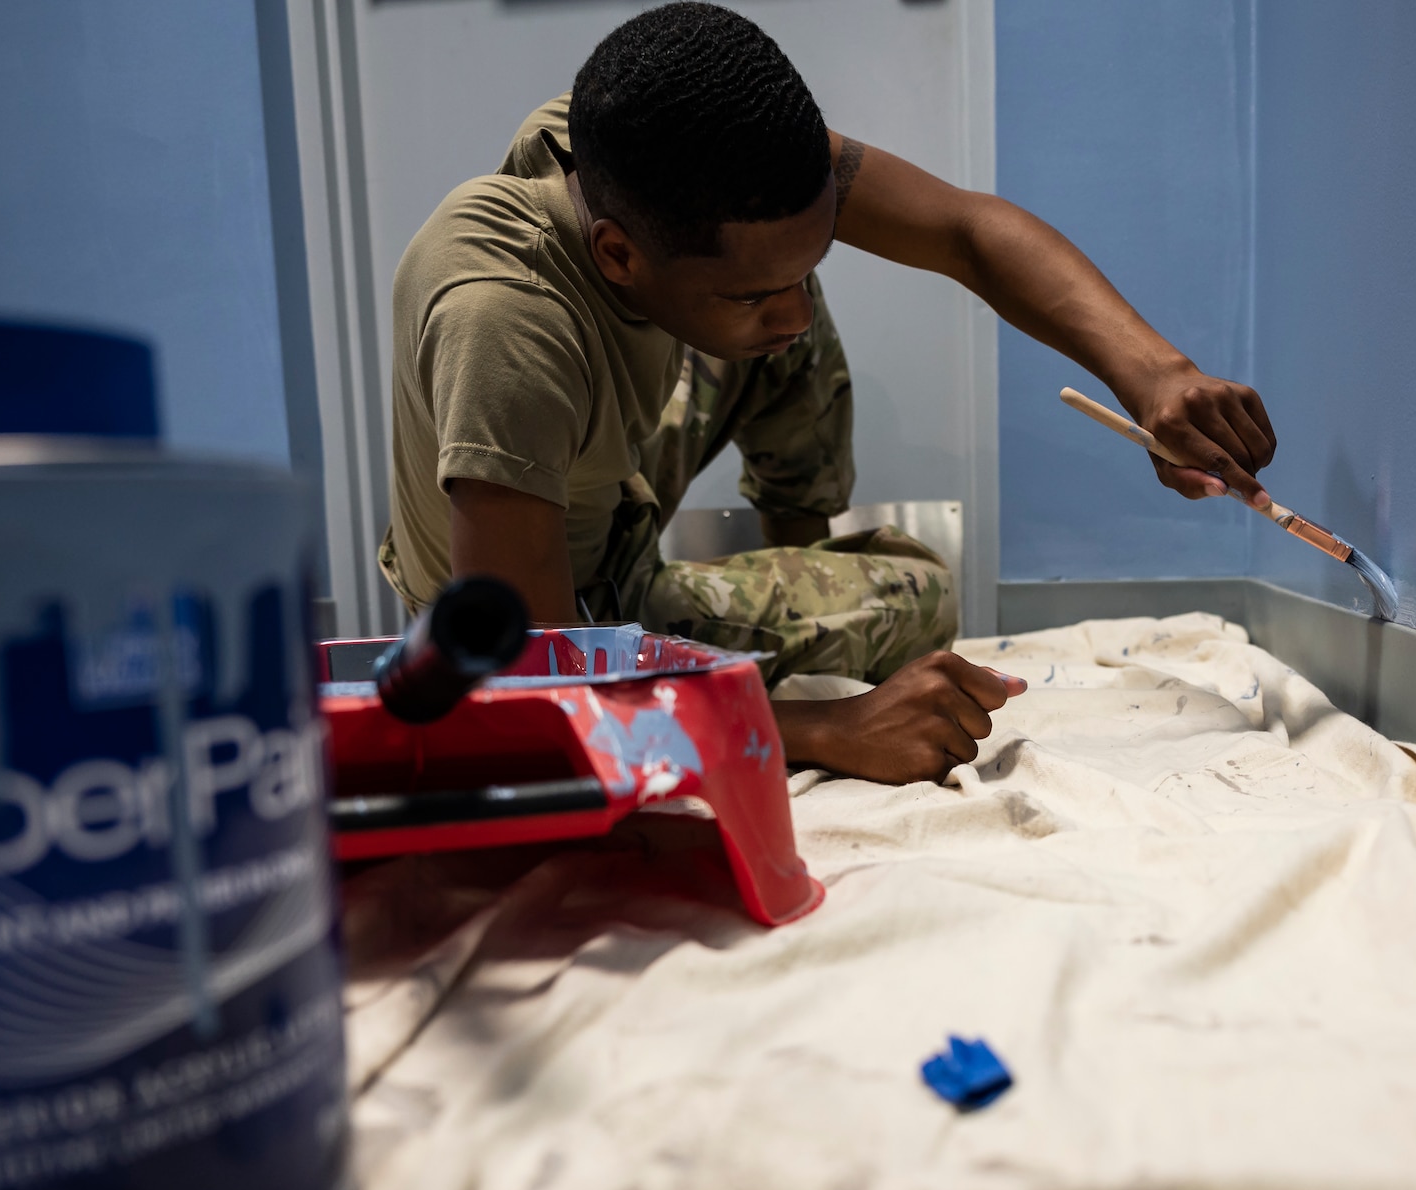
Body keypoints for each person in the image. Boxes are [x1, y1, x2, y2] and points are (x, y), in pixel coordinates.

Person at [381, 2, 1276, 784]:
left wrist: (1159, 375)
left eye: (807, 267)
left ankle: (794, 586)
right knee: (915, 597)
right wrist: (829, 729)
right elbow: (539, 700)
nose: (796, 313)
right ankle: (789, 644)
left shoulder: (642, 139)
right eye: (750, 293)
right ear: (616, 252)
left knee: (778, 317)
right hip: (550, 614)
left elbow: (966, 231)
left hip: (598, 480)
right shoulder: (503, 321)